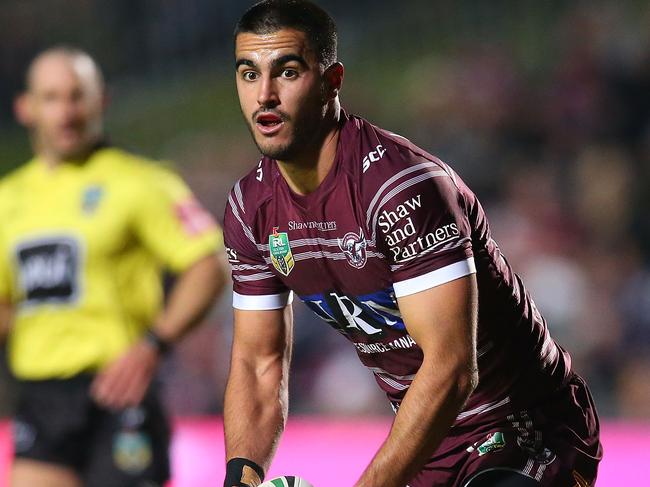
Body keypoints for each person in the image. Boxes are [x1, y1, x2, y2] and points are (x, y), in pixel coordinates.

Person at [222, 1, 602, 487]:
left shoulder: (402, 188)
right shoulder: (249, 207)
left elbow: (450, 368)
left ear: (331, 81)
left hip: (525, 427)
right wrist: (241, 474)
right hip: (427, 442)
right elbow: (257, 364)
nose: (265, 95)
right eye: (249, 74)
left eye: (287, 72)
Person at [0, 46, 227, 487]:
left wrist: (153, 345)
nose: (66, 112)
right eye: (51, 98)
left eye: (76, 96)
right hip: (43, 398)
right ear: (25, 108)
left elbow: (208, 265)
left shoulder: (140, 182)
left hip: (121, 393)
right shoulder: (8, 199)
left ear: (101, 101)